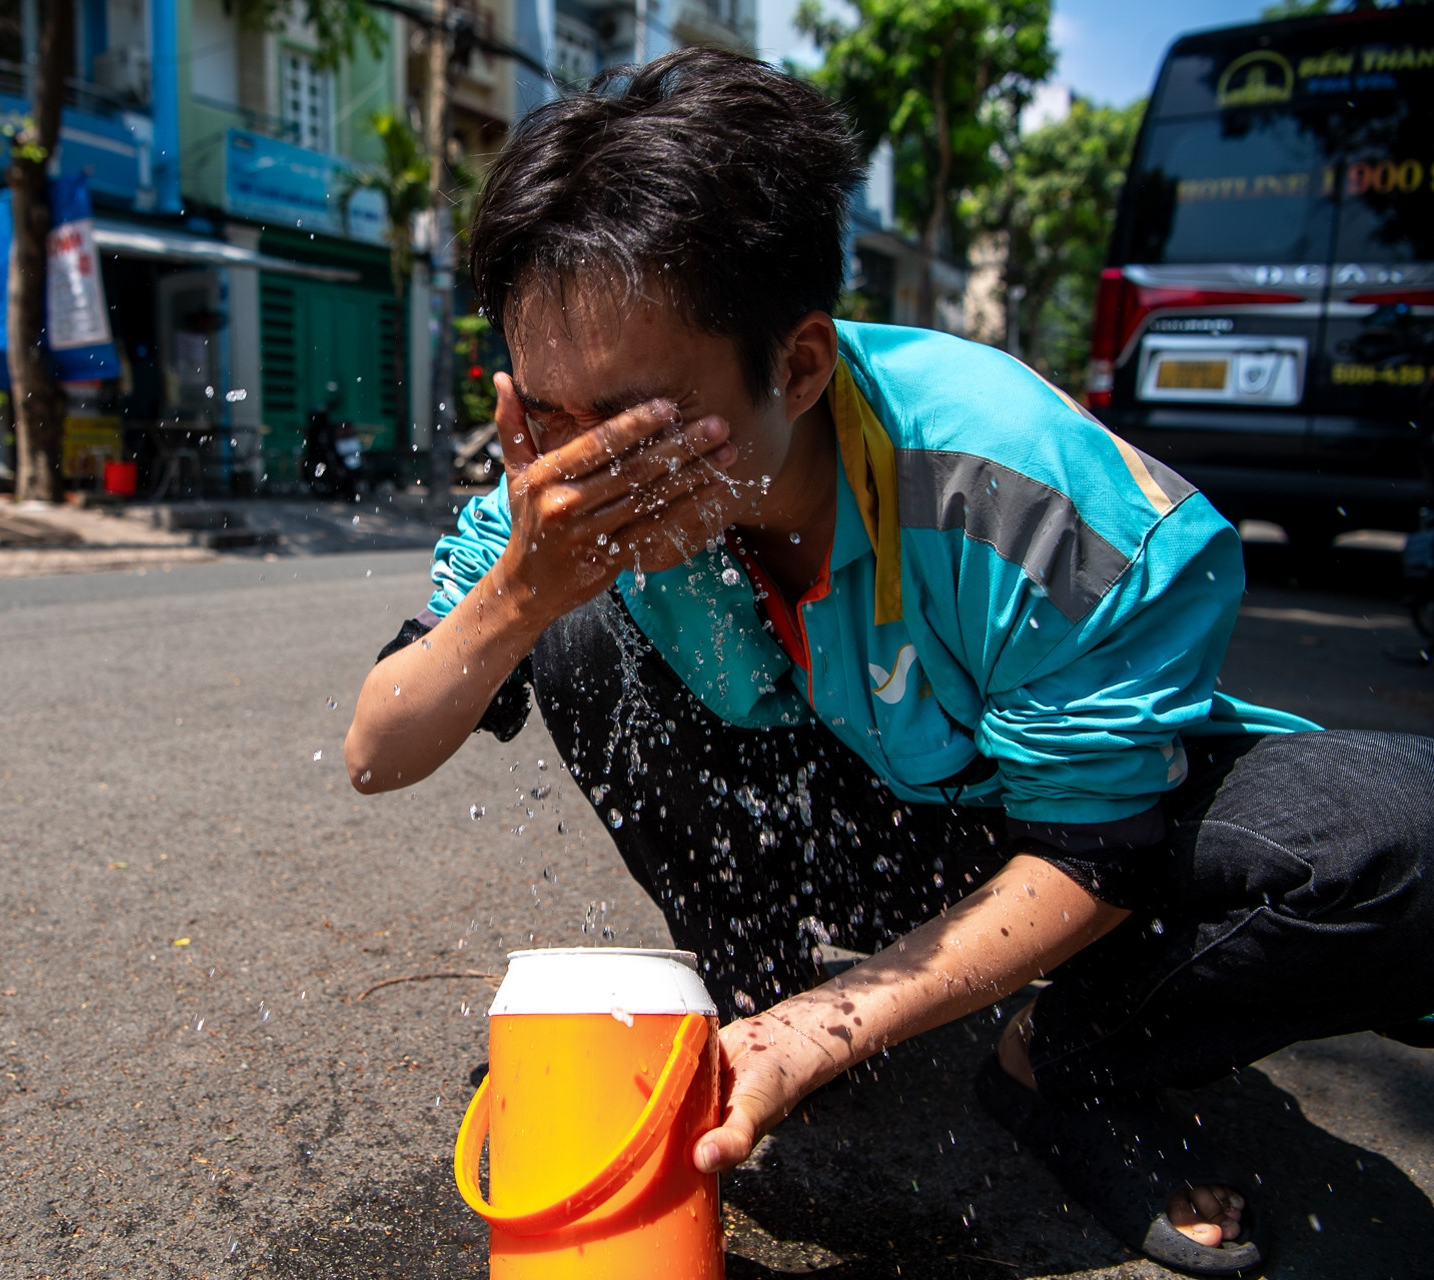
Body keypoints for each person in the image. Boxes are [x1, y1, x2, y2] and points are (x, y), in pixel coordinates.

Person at [344, 46, 1434, 1277]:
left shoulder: (1023, 492)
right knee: (575, 632)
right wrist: (519, 595)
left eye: (639, 428)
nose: (585, 476)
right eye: (546, 415)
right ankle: (748, 997)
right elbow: (379, 752)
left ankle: (1065, 1061)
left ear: (797, 366)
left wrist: (840, 1018)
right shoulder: (561, 490)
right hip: (857, 833)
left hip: (1046, 845)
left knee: (1406, 835)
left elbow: (1097, 843)